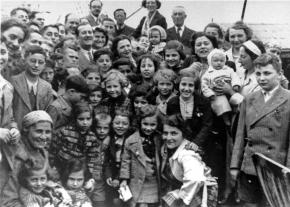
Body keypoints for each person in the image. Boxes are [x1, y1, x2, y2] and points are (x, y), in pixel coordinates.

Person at [230, 53, 290, 207]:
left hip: (275, 168)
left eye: (267, 73)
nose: (262, 78)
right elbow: (240, 135)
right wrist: (235, 166)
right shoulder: (250, 98)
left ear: (280, 74)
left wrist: (287, 171)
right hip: (249, 166)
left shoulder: (288, 99)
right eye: (258, 73)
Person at [0, 110, 59, 206]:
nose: (44, 137)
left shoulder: (42, 152)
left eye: (48, 132)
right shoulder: (17, 158)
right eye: (39, 131)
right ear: (25, 130)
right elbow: (7, 201)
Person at [160, 114, 218, 207]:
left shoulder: (187, 154)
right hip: (188, 189)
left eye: (174, 133)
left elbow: (194, 179)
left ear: (183, 134)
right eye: (165, 133)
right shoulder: (169, 148)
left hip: (198, 194)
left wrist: (181, 197)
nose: (168, 137)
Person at [120, 105, 162, 207]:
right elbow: (126, 161)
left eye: (152, 125)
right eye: (145, 124)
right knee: (141, 204)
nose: (148, 128)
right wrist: (124, 180)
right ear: (139, 122)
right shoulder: (131, 140)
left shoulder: (159, 139)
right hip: (138, 181)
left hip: (155, 181)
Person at [11, 45, 54, 129]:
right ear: (25, 61)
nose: (36, 65)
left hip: (37, 132)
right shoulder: (13, 81)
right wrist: (13, 125)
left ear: (44, 65)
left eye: (40, 62)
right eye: (33, 61)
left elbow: (48, 112)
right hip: (16, 130)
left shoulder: (47, 87)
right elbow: (8, 110)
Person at [201, 49, 241, 126]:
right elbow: (204, 85)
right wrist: (209, 94)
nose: (219, 63)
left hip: (229, 90)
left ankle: (235, 116)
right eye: (216, 61)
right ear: (210, 61)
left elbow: (235, 76)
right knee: (221, 104)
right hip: (218, 94)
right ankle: (225, 118)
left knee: (235, 103)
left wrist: (236, 84)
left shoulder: (228, 69)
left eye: (221, 61)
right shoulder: (208, 73)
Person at [105, 110, 133, 207]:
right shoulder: (109, 139)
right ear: (112, 124)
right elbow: (106, 159)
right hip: (112, 174)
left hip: (127, 175)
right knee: (113, 201)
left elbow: (129, 162)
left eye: (124, 124)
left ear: (129, 125)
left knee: (124, 201)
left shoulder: (131, 140)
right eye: (117, 123)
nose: (120, 126)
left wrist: (119, 178)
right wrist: (108, 175)